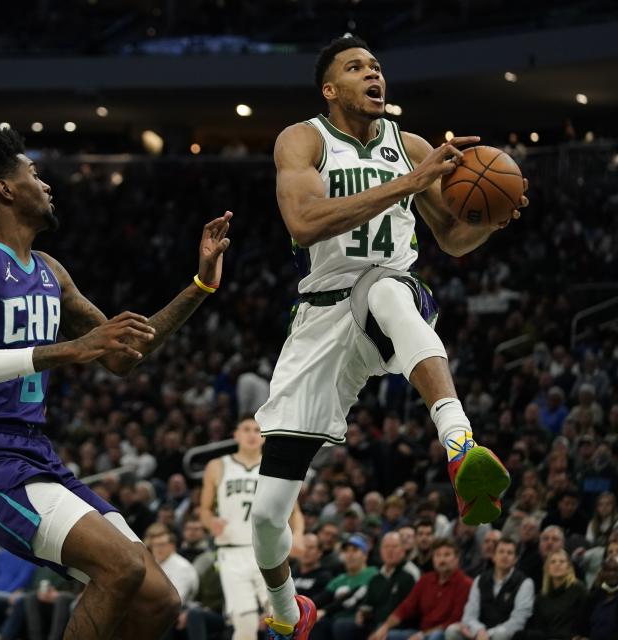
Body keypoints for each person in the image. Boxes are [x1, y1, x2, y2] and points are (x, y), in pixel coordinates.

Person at [250, 34, 527, 640]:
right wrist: (408, 184)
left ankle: (460, 446)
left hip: (385, 297)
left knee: (385, 286)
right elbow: (302, 221)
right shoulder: (304, 139)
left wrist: (492, 218)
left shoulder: (413, 147)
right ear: (330, 89)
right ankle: (286, 610)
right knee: (268, 514)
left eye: (376, 66)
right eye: (356, 68)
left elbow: (452, 240)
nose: (373, 74)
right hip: (317, 322)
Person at [0, 119, 231, 639]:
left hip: (32, 451)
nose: (46, 184)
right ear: (4, 188)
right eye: (33, 172)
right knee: (123, 566)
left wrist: (200, 285)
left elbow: (123, 353)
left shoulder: (49, 269)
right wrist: (71, 349)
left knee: (159, 598)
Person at [201, 416, 303, 640]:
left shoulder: (273, 466)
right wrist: (212, 523)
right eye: (246, 429)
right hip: (231, 552)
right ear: (235, 434)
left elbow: (294, 510)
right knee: (245, 625)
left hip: (267, 552)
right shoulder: (217, 466)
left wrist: (299, 536)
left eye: (257, 430)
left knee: (285, 618)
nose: (252, 434)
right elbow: (204, 510)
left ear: (264, 436)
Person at [369, 539, 472, 640]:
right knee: (385, 635)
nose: (442, 560)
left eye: (447, 555)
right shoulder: (425, 580)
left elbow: (454, 621)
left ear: (456, 558)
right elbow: (406, 607)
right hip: (421, 631)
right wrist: (385, 626)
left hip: (443, 633)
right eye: (437, 555)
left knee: (435, 636)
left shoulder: (465, 584)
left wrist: (422, 635)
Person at [333, 532, 419, 640]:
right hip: (374, 623)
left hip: (398, 625)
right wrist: (361, 612)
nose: (390, 551)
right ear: (381, 551)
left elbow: (408, 609)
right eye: (386, 547)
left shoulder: (409, 575)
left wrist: (384, 626)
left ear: (403, 550)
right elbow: (368, 603)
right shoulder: (376, 578)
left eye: (394, 547)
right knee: (342, 625)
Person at [445, 538, 533, 640]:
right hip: (480, 632)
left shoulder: (525, 583)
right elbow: (469, 615)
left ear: (515, 559)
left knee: (500, 635)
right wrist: (479, 631)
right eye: (501, 552)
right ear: (494, 557)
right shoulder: (480, 580)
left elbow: (519, 620)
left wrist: (488, 633)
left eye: (509, 553)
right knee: (452, 630)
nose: (505, 556)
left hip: (505, 634)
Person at [516, 549, 585, 640]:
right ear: (547, 568)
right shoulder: (542, 596)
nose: (557, 564)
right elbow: (538, 626)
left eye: (562, 561)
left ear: (569, 567)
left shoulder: (578, 589)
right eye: (553, 562)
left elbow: (584, 620)